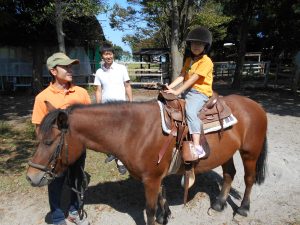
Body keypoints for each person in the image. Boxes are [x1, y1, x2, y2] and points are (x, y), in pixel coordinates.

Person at [32, 52, 91, 225]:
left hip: (78, 149)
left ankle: (74, 210)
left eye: (70, 66)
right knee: (55, 182)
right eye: (65, 67)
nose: (70, 69)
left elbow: (89, 121)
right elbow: (39, 129)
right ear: (53, 71)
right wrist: (50, 148)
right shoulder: (42, 98)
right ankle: (57, 216)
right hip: (56, 153)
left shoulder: (81, 93)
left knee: (77, 179)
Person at [164, 26, 213, 159]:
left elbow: (193, 79)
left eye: (200, 44)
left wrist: (177, 91)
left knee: (190, 111)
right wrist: (169, 87)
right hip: (188, 91)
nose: (196, 46)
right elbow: (181, 76)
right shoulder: (189, 60)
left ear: (205, 46)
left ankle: (197, 146)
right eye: (193, 43)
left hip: (199, 93)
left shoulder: (206, 61)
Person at [93, 43, 133, 175]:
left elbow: (127, 86)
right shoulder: (99, 72)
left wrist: (131, 102)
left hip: (121, 106)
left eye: (110, 53)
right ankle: (112, 152)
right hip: (106, 107)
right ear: (102, 56)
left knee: (121, 133)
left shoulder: (122, 68)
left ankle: (121, 161)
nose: (108, 56)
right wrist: (98, 106)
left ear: (113, 55)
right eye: (105, 54)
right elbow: (98, 90)